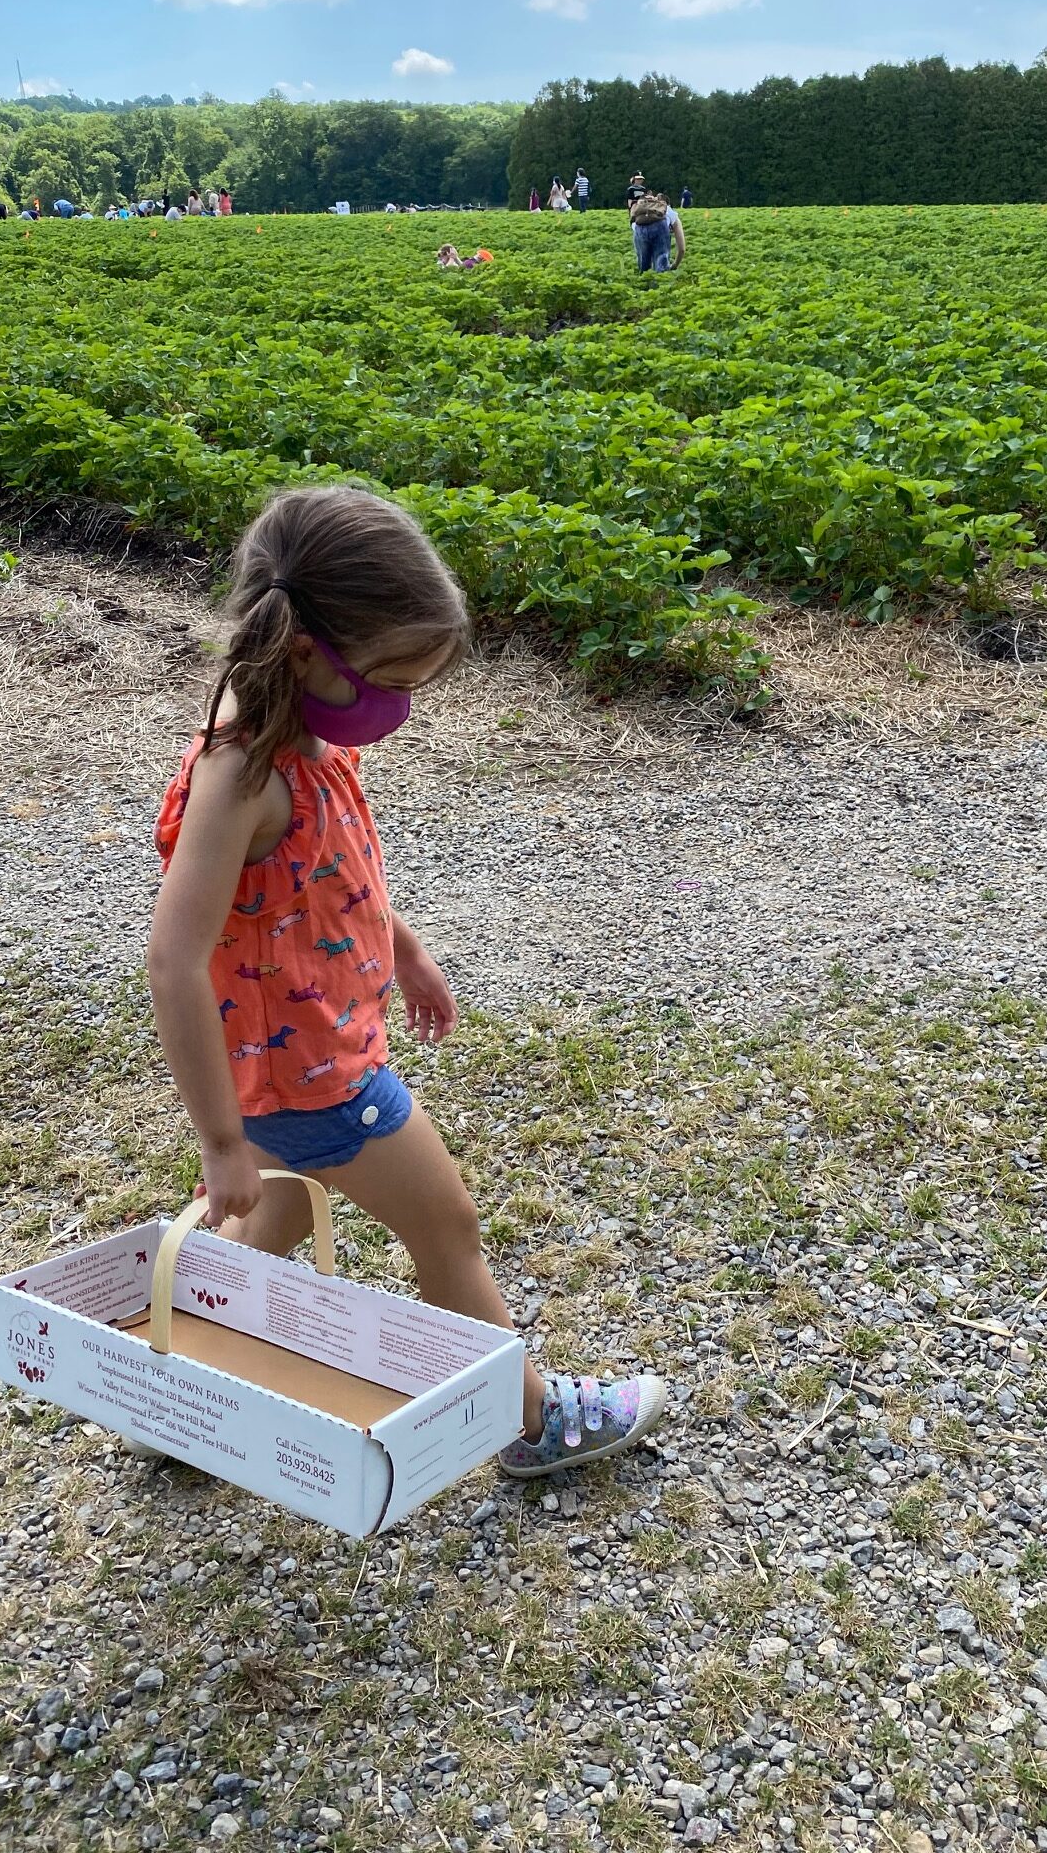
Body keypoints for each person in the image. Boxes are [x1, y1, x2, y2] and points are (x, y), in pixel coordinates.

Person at [146, 487, 667, 1476]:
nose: (401, 705)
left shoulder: (295, 730)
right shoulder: (243, 775)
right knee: (448, 1228)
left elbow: (326, 879)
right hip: (321, 1077)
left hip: (289, 1064)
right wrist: (219, 1143)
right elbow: (173, 957)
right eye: (389, 679)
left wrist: (405, 948)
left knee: (269, 1226)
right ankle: (532, 1423)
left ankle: (179, 1396)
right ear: (307, 653)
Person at [629, 190, 685, 275]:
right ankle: (660, 284)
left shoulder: (639, 213)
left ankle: (644, 285)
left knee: (644, 268)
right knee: (661, 264)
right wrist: (675, 264)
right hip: (660, 227)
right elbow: (682, 249)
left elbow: (634, 227)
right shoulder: (670, 212)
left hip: (639, 228)